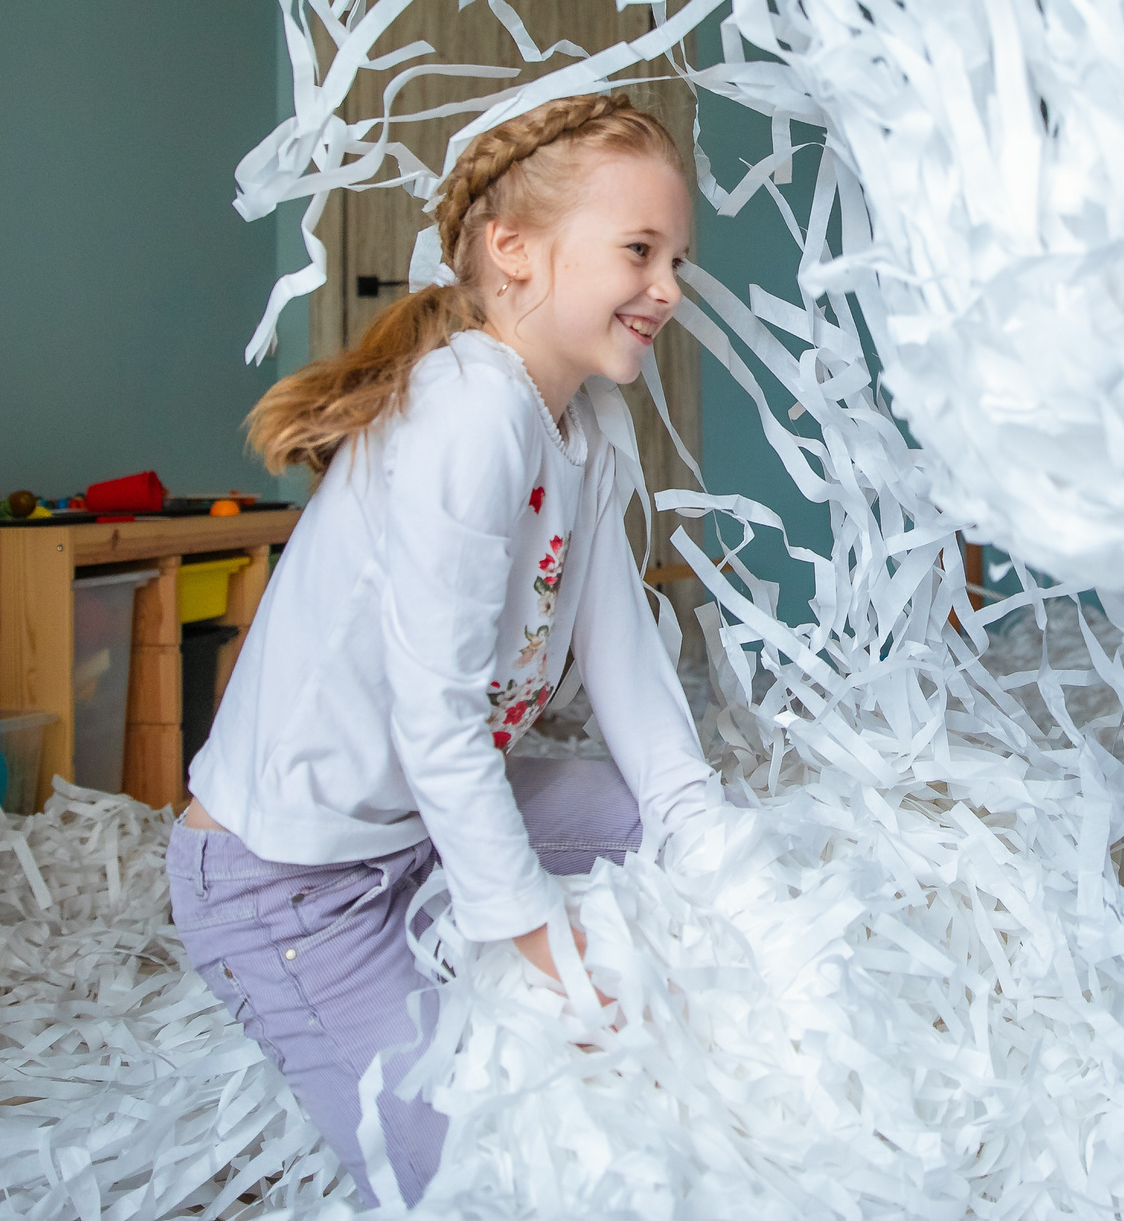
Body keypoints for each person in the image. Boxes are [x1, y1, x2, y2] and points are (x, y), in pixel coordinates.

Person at [175, 94, 725, 1207]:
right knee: (472, 1172)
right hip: (290, 882)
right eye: (638, 251)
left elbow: (623, 660)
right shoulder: (468, 415)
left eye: (675, 256)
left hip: (417, 826)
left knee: (653, 826)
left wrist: (718, 848)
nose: (666, 287)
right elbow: (436, 723)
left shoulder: (590, 421)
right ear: (512, 251)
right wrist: (539, 946)